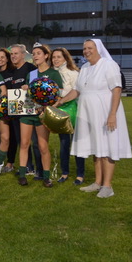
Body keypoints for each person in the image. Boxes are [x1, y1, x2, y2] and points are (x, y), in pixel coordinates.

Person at [56, 39, 132, 198]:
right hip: (89, 113)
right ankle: (97, 183)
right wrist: (60, 102)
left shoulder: (109, 65)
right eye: (84, 48)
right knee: (97, 149)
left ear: (98, 49)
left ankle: (107, 186)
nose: (86, 51)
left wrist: (112, 114)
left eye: (90, 48)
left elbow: (117, 90)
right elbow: (77, 91)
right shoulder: (84, 67)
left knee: (107, 148)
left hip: (105, 112)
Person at [16, 43, 63, 187]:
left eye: (38, 53)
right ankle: (23, 175)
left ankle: (46, 177)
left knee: (42, 146)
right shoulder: (31, 75)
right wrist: (25, 88)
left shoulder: (54, 74)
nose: (35, 56)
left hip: (42, 114)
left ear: (46, 56)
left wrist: (47, 109)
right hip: (28, 112)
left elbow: (58, 96)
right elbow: (28, 94)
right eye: (34, 54)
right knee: (24, 144)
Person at [51, 48, 86, 185]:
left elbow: (75, 91)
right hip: (59, 111)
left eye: (59, 57)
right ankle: (65, 172)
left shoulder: (74, 73)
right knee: (64, 144)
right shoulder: (52, 73)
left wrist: (60, 100)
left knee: (77, 143)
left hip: (75, 110)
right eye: (54, 57)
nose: (56, 59)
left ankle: (80, 174)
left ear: (65, 58)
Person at [8, 44, 40, 175]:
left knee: (36, 142)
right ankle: (28, 167)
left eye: (16, 53)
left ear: (23, 55)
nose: (13, 56)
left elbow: (37, 86)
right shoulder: (14, 71)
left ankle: (40, 169)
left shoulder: (30, 68)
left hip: (30, 111)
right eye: (12, 54)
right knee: (22, 141)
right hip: (17, 111)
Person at [0, 48, 16, 172]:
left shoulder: (13, 72)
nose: (0, 59)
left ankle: (10, 162)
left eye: (2, 57)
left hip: (12, 107)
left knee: (11, 136)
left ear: (7, 58)